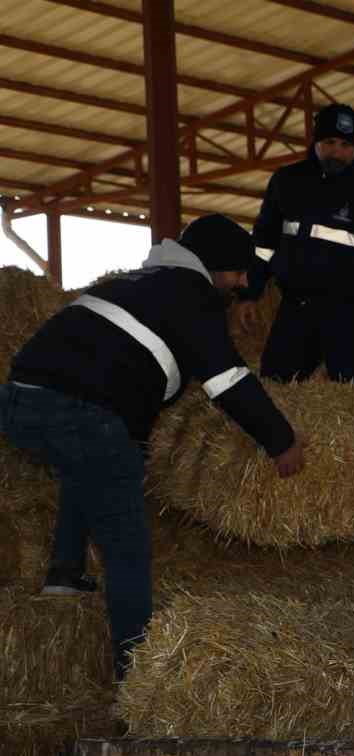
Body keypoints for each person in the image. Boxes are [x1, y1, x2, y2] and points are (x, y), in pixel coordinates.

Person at [0, 214, 307, 679]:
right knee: (127, 545)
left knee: (88, 462)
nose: (242, 283)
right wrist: (280, 441)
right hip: (80, 409)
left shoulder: (138, 282)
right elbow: (227, 380)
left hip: (19, 399)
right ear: (213, 265)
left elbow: (122, 378)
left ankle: (64, 575)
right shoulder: (193, 295)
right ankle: (137, 675)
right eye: (238, 271)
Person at [241, 102, 354, 388]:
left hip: (351, 314)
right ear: (315, 141)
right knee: (275, 386)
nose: (337, 152)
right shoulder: (287, 182)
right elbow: (263, 244)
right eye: (329, 142)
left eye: (345, 144)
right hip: (296, 306)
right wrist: (249, 293)